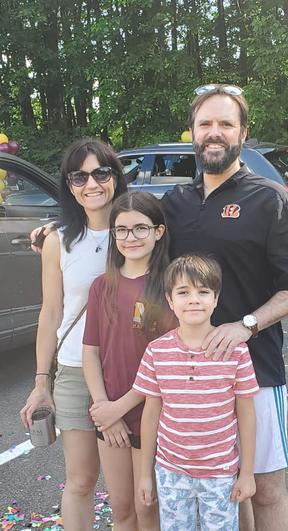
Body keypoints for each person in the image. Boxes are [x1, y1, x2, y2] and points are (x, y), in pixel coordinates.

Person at [160, 84, 288, 531]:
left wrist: (246, 325)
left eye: (225, 124)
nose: (215, 133)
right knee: (218, 488)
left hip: (256, 371)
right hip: (190, 380)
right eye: (206, 124)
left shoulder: (270, 199)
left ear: (242, 133)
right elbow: (118, 229)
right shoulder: (173, 203)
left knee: (266, 491)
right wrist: (54, 232)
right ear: (192, 133)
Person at [20, 138, 127, 531]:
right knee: (80, 481)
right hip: (74, 372)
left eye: (101, 172)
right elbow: (51, 314)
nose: (91, 184)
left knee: (126, 493)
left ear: (115, 176)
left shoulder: (138, 228)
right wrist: (40, 382)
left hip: (128, 372)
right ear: (68, 184)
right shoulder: (58, 240)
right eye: (79, 176)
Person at [134, 254, 259, 531]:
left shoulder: (236, 351)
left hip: (220, 473)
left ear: (215, 299)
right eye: (183, 292)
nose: (194, 299)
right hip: (170, 472)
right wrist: (145, 475)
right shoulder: (157, 351)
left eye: (203, 291)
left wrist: (247, 473)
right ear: (169, 300)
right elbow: (151, 412)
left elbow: (246, 413)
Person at [82, 191, 173, 531]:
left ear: (158, 232)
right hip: (110, 417)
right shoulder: (101, 286)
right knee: (121, 509)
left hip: (153, 415)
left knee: (147, 507)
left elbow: (167, 365)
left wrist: (120, 408)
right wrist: (105, 408)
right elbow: (90, 350)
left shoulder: (170, 287)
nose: (130, 237)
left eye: (140, 229)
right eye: (121, 230)